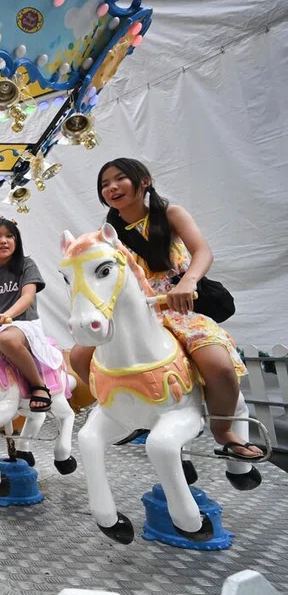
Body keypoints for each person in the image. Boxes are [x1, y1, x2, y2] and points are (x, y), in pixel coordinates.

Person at [69, 158, 265, 460]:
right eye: (104, 184)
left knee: (219, 366)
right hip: (137, 315)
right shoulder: (106, 234)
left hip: (179, 309)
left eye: (119, 179)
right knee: (79, 356)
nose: (111, 188)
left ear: (144, 181)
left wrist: (188, 282)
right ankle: (120, 411)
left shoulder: (171, 214)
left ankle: (224, 430)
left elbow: (202, 251)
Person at [0, 217, 63, 412]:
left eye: (9, 236)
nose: (3, 241)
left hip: (23, 323)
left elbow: (27, 297)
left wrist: (5, 316)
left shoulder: (27, 265)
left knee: (6, 339)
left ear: (16, 241)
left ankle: (38, 386)